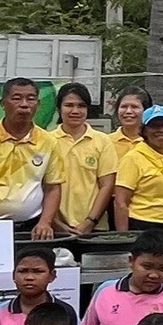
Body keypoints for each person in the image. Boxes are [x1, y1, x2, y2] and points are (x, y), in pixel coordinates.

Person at [0, 77, 62, 239]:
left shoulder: (49, 141)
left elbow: (53, 188)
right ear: (2, 103)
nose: (24, 104)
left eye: (31, 99)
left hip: (33, 226)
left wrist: (45, 222)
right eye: (16, 98)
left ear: (38, 104)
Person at [112, 105, 163, 242]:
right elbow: (120, 202)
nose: (161, 130)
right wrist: (124, 240)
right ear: (144, 131)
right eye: (154, 126)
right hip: (142, 226)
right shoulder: (133, 158)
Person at [51, 81, 118, 237]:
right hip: (54, 228)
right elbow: (41, 187)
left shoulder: (102, 141)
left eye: (81, 106)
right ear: (59, 108)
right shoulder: (47, 141)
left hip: (95, 227)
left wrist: (90, 222)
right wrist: (54, 222)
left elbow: (107, 185)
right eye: (69, 105)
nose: (75, 111)